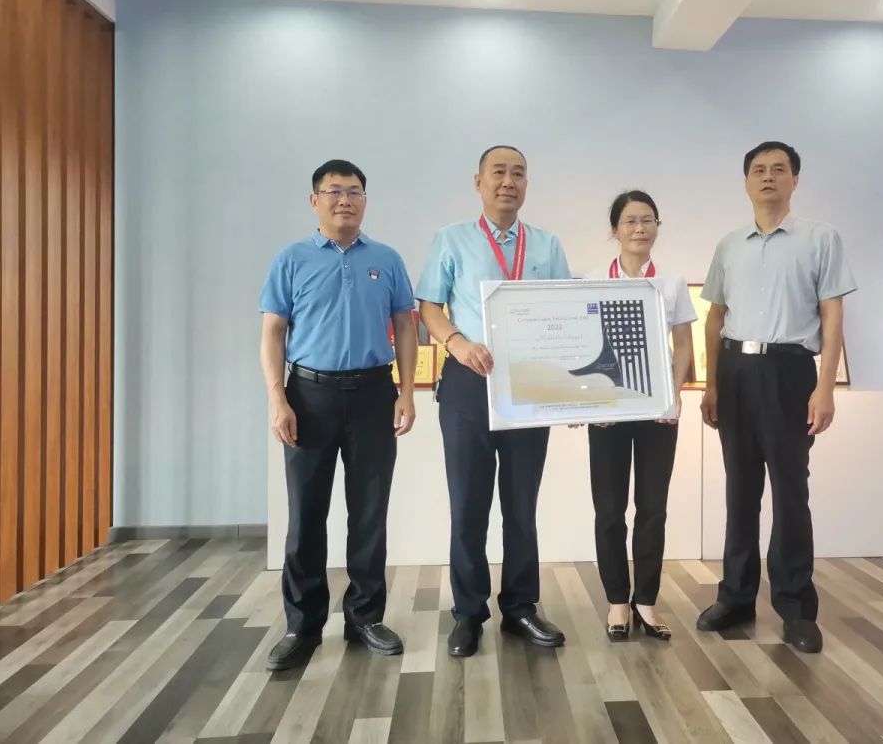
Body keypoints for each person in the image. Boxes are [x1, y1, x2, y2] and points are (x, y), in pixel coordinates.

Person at [696, 141, 856, 654]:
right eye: (759, 170)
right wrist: (712, 383)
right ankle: (736, 597)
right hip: (736, 370)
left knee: (790, 490)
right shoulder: (729, 245)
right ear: (746, 182)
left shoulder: (820, 238)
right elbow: (715, 318)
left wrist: (825, 387)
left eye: (778, 169)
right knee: (740, 489)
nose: (768, 177)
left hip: (790, 370)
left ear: (794, 180)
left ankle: (796, 607)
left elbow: (832, 316)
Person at [259, 159, 417, 670]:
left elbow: (406, 325)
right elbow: (272, 332)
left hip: (374, 394)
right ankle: (302, 625)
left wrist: (406, 392)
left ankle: (365, 618)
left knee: (369, 513)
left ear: (365, 201)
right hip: (309, 396)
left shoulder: (386, 259)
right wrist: (278, 399)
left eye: (354, 192)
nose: (344, 200)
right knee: (306, 514)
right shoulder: (291, 259)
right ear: (315, 201)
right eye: (333, 191)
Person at [416, 145, 571, 658]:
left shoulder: (546, 244)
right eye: (498, 172)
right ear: (478, 182)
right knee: (468, 504)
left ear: (527, 184)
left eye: (518, 173)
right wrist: (457, 343)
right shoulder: (451, 239)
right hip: (467, 382)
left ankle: (521, 607)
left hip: (531, 385)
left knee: (521, 505)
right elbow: (430, 306)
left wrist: (570, 392)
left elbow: (563, 313)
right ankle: (468, 612)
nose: (509, 181)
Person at [585, 191, 695, 642]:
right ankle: (617, 600)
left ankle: (645, 600)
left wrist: (675, 394)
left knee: (652, 508)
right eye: (630, 221)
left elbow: (684, 344)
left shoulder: (671, 282)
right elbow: (581, 347)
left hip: (657, 411)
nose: (639, 228)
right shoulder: (593, 280)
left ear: (656, 227)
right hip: (608, 410)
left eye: (648, 220)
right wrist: (590, 403)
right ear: (615, 229)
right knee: (610, 509)